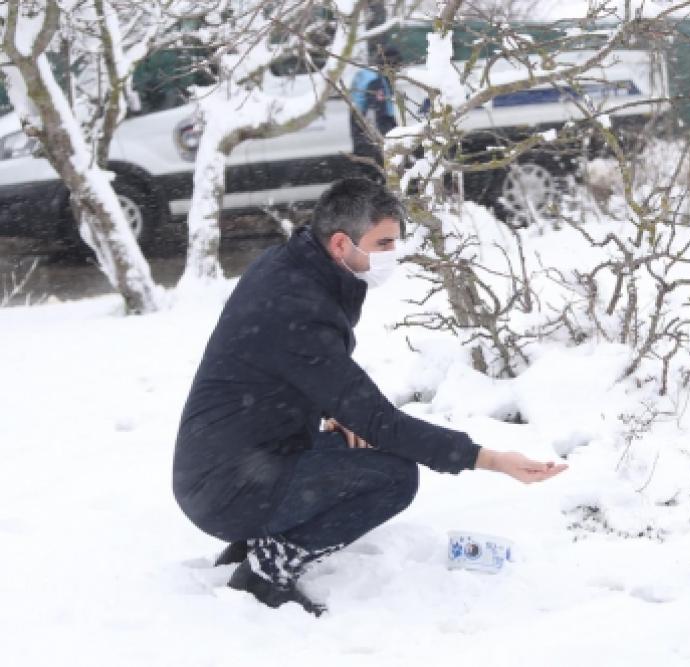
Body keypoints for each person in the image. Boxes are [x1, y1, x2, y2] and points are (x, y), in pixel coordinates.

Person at [172, 178, 566, 616]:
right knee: (394, 476)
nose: (392, 254)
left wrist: (335, 409)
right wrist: (488, 459)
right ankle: (265, 571)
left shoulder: (293, 268)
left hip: (225, 463)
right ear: (341, 243)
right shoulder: (298, 306)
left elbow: (284, 367)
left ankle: (259, 535)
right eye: (384, 243)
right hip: (225, 488)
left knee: (358, 446)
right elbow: (380, 421)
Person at [349, 44, 402, 179]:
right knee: (379, 179)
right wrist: (393, 140)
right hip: (371, 141)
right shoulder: (376, 82)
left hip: (359, 133)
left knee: (366, 179)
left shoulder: (366, 74)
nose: (397, 71)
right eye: (396, 66)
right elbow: (379, 115)